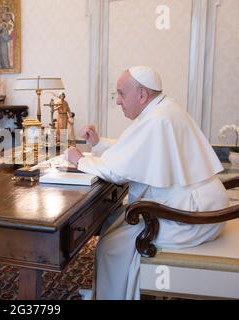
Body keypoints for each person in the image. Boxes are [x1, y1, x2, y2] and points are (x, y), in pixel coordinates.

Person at [65, 66, 229, 300]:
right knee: (115, 221)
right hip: (202, 205)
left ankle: (115, 295)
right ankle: (108, 290)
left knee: (112, 244)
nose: (118, 101)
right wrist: (99, 144)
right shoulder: (163, 109)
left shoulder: (157, 119)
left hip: (193, 217)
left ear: (142, 95)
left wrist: (80, 160)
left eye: (121, 94)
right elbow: (135, 152)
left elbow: (117, 170)